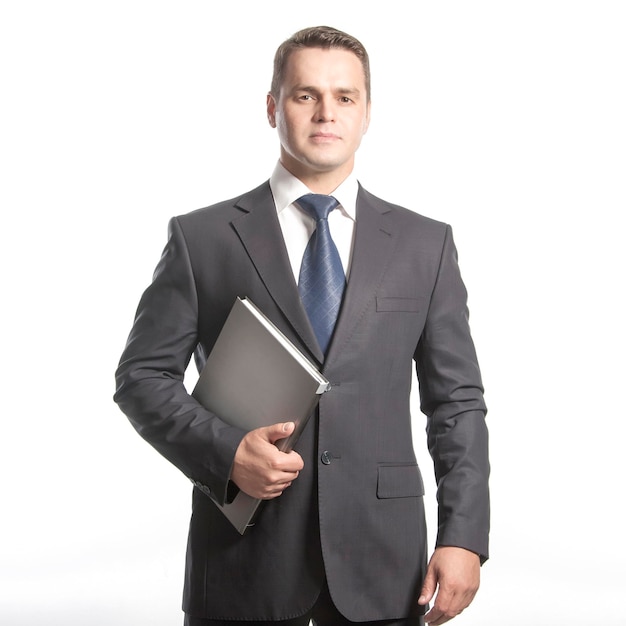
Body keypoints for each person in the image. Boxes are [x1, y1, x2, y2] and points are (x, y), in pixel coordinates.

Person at [114, 25, 489, 626]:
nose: (325, 112)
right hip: (243, 563)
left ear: (367, 113)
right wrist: (227, 450)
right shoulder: (202, 238)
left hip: (384, 562)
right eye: (304, 94)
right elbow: (141, 377)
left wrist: (464, 535)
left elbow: (457, 403)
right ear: (272, 107)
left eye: (345, 97)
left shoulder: (426, 245)